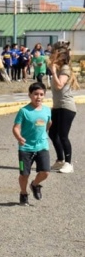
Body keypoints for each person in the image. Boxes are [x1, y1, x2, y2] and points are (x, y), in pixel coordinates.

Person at [12, 82, 51, 206]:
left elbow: (49, 123)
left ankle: (34, 185)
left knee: (45, 172)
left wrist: (43, 135)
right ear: (30, 95)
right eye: (35, 94)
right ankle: (23, 193)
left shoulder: (47, 110)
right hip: (25, 147)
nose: (38, 97)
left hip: (42, 146)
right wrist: (19, 137)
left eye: (41, 94)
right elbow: (16, 127)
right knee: (24, 174)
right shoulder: (24, 111)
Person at [48, 43, 78, 174]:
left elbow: (59, 85)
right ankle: (60, 160)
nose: (50, 55)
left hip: (66, 107)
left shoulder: (65, 68)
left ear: (58, 55)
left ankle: (68, 163)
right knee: (53, 133)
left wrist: (53, 72)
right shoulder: (59, 67)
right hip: (57, 106)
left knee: (63, 136)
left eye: (52, 53)